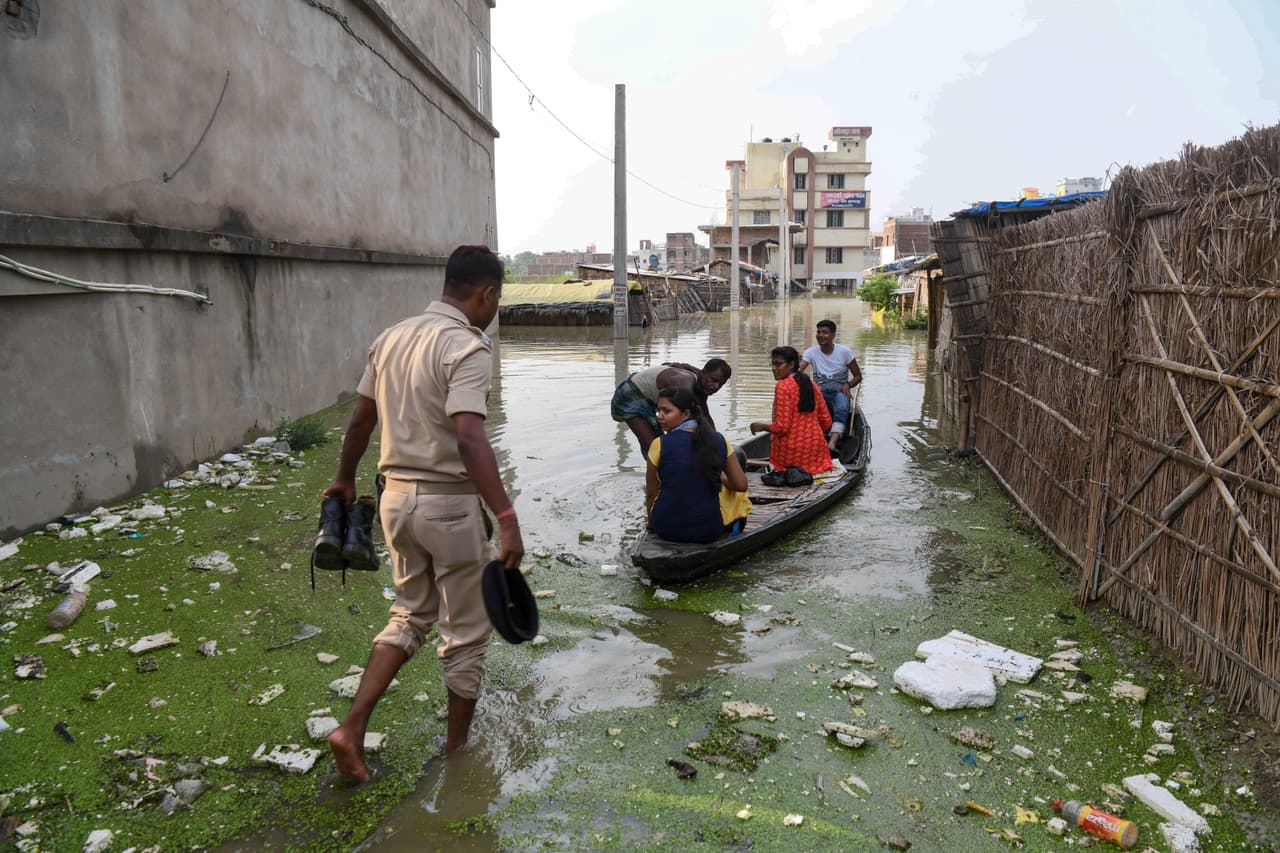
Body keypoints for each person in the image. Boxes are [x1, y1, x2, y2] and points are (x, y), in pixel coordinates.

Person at [322, 245, 523, 784]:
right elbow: (469, 435)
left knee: (410, 614)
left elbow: (361, 423)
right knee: (467, 634)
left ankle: (351, 729)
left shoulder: (391, 337)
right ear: (487, 294)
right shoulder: (467, 347)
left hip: (394, 500)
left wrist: (344, 478)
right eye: (496, 299)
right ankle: (459, 757)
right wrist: (505, 516)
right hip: (449, 507)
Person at [645, 386, 749, 542]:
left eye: (666, 411)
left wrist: (650, 524)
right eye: (658, 411)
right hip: (708, 530)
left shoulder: (658, 444)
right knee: (736, 498)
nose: (659, 416)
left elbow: (651, 494)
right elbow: (741, 485)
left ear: (686, 414)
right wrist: (719, 476)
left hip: (665, 528)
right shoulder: (720, 440)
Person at [611, 358, 732, 455]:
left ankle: (661, 474)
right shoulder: (684, 383)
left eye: (720, 384)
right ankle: (659, 477)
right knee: (653, 445)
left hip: (651, 398)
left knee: (663, 443)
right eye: (714, 380)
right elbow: (690, 419)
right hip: (630, 395)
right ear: (703, 372)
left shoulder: (701, 385)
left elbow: (705, 415)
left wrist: (717, 444)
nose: (716, 386)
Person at [750, 346, 833, 475]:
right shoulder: (812, 385)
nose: (774, 368)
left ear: (791, 364)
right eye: (772, 364)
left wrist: (761, 426)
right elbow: (826, 421)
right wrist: (809, 436)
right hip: (816, 451)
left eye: (778, 364)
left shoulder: (783, 387)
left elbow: (781, 427)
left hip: (791, 455)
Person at [799, 319, 862, 451]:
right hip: (819, 391)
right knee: (807, 409)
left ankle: (832, 443)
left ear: (833, 335)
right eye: (818, 332)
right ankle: (811, 439)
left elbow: (858, 376)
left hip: (839, 391)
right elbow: (798, 371)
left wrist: (848, 385)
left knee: (842, 407)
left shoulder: (844, 352)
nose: (820, 335)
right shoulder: (811, 352)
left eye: (825, 332)